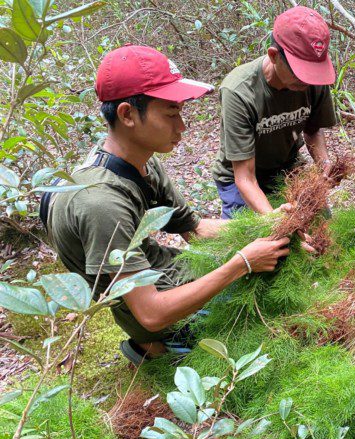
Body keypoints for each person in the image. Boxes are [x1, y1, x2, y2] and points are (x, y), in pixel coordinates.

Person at [44, 45, 291, 365]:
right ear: (127, 114)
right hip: (142, 306)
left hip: (154, 265)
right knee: (239, 336)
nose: (182, 127)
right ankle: (153, 349)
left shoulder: (139, 160)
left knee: (254, 294)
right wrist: (241, 262)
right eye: (171, 113)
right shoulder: (101, 204)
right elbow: (150, 312)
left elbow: (196, 230)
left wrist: (267, 223)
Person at [211, 6, 338, 219]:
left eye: (313, 73)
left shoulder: (314, 80)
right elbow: (245, 178)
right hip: (241, 176)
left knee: (320, 223)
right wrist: (276, 222)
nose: (308, 82)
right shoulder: (239, 91)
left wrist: (323, 165)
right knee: (252, 241)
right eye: (301, 73)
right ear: (274, 55)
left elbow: (313, 129)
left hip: (286, 166)